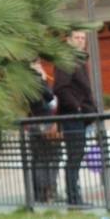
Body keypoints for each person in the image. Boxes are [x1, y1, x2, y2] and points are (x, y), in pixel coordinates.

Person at [53, 31, 97, 207]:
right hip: (73, 116)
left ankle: (75, 196)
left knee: (77, 157)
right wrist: (77, 108)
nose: (80, 41)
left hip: (81, 116)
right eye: (76, 38)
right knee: (74, 157)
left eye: (83, 38)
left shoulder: (79, 60)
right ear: (69, 40)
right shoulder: (67, 60)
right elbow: (60, 88)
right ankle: (73, 198)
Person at [26, 60, 60, 204]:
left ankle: (39, 194)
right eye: (38, 64)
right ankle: (49, 192)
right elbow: (51, 100)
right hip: (45, 122)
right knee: (52, 158)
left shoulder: (21, 81)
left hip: (32, 123)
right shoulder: (37, 79)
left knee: (38, 159)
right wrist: (44, 79)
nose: (41, 66)